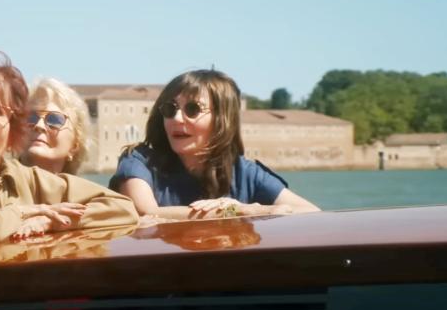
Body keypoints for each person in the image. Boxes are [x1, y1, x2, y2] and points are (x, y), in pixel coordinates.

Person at [0, 53, 139, 249]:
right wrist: (27, 211)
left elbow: (123, 207)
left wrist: (52, 221)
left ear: (12, 125)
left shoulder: (25, 178)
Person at [110, 69, 320, 219]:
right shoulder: (139, 161)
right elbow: (148, 213)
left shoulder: (245, 173)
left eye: (192, 109)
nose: (177, 119)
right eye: (170, 109)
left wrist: (252, 209)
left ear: (221, 120)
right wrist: (233, 212)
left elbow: (312, 213)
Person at [20, 77, 93, 175]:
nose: (39, 125)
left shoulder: (85, 190)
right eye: (31, 117)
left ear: (74, 146)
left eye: (54, 120)